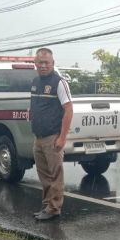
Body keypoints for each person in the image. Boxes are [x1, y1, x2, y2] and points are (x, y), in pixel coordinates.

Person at [30, 48, 73, 221]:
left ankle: (54, 208)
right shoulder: (35, 82)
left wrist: (62, 137)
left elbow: (68, 110)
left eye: (46, 62)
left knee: (55, 175)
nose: (43, 65)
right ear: (35, 64)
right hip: (38, 137)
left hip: (52, 137)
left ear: (53, 63)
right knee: (44, 175)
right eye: (40, 62)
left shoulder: (59, 82)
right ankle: (47, 206)